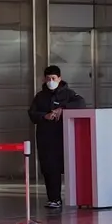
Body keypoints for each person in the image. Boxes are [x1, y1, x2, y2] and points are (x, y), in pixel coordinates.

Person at [28, 66, 85, 209]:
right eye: (48, 79)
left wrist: (63, 108)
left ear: (59, 78)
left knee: (72, 167)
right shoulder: (40, 96)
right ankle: (54, 199)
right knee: (50, 168)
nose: (51, 81)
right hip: (46, 138)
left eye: (53, 78)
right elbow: (32, 113)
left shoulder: (69, 94)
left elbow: (81, 103)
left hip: (64, 136)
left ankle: (79, 198)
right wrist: (44, 116)